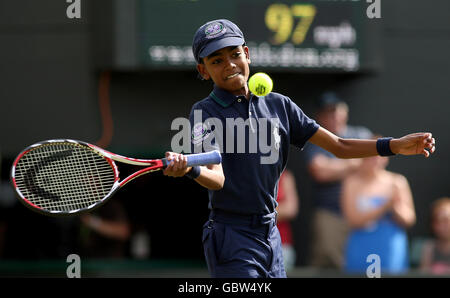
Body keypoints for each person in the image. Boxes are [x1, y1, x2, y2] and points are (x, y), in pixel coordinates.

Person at [162, 19, 436, 278]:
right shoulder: (203, 113)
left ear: (247, 54)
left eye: (235, 54)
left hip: (271, 234)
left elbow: (339, 146)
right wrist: (191, 169)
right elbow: (217, 178)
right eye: (216, 61)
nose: (230, 64)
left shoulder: (279, 105)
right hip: (231, 236)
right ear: (203, 70)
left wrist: (393, 146)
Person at [303, 92, 373, 269]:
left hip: (364, 212)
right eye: (327, 112)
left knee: (366, 264)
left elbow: (373, 165)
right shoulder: (316, 139)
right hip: (331, 213)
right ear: (319, 116)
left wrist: (335, 165)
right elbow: (320, 172)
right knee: (328, 266)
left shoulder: (361, 133)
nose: (333, 116)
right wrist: (355, 162)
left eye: (336, 110)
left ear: (345, 112)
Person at [341, 142, 416, 274]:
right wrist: (384, 206)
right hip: (361, 246)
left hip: (390, 247)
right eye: (370, 156)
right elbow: (353, 220)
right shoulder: (351, 182)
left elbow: (409, 219)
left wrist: (395, 207)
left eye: (379, 156)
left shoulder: (398, 181)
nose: (375, 160)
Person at [276, 169, 300, 271]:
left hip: (282, 245)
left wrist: (258, 211)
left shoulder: (284, 175)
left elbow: (290, 209)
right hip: (253, 243)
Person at [420, 197, 450, 275]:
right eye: (437, 221)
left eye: (445, 220)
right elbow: (423, 274)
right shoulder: (429, 248)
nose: (442, 226)